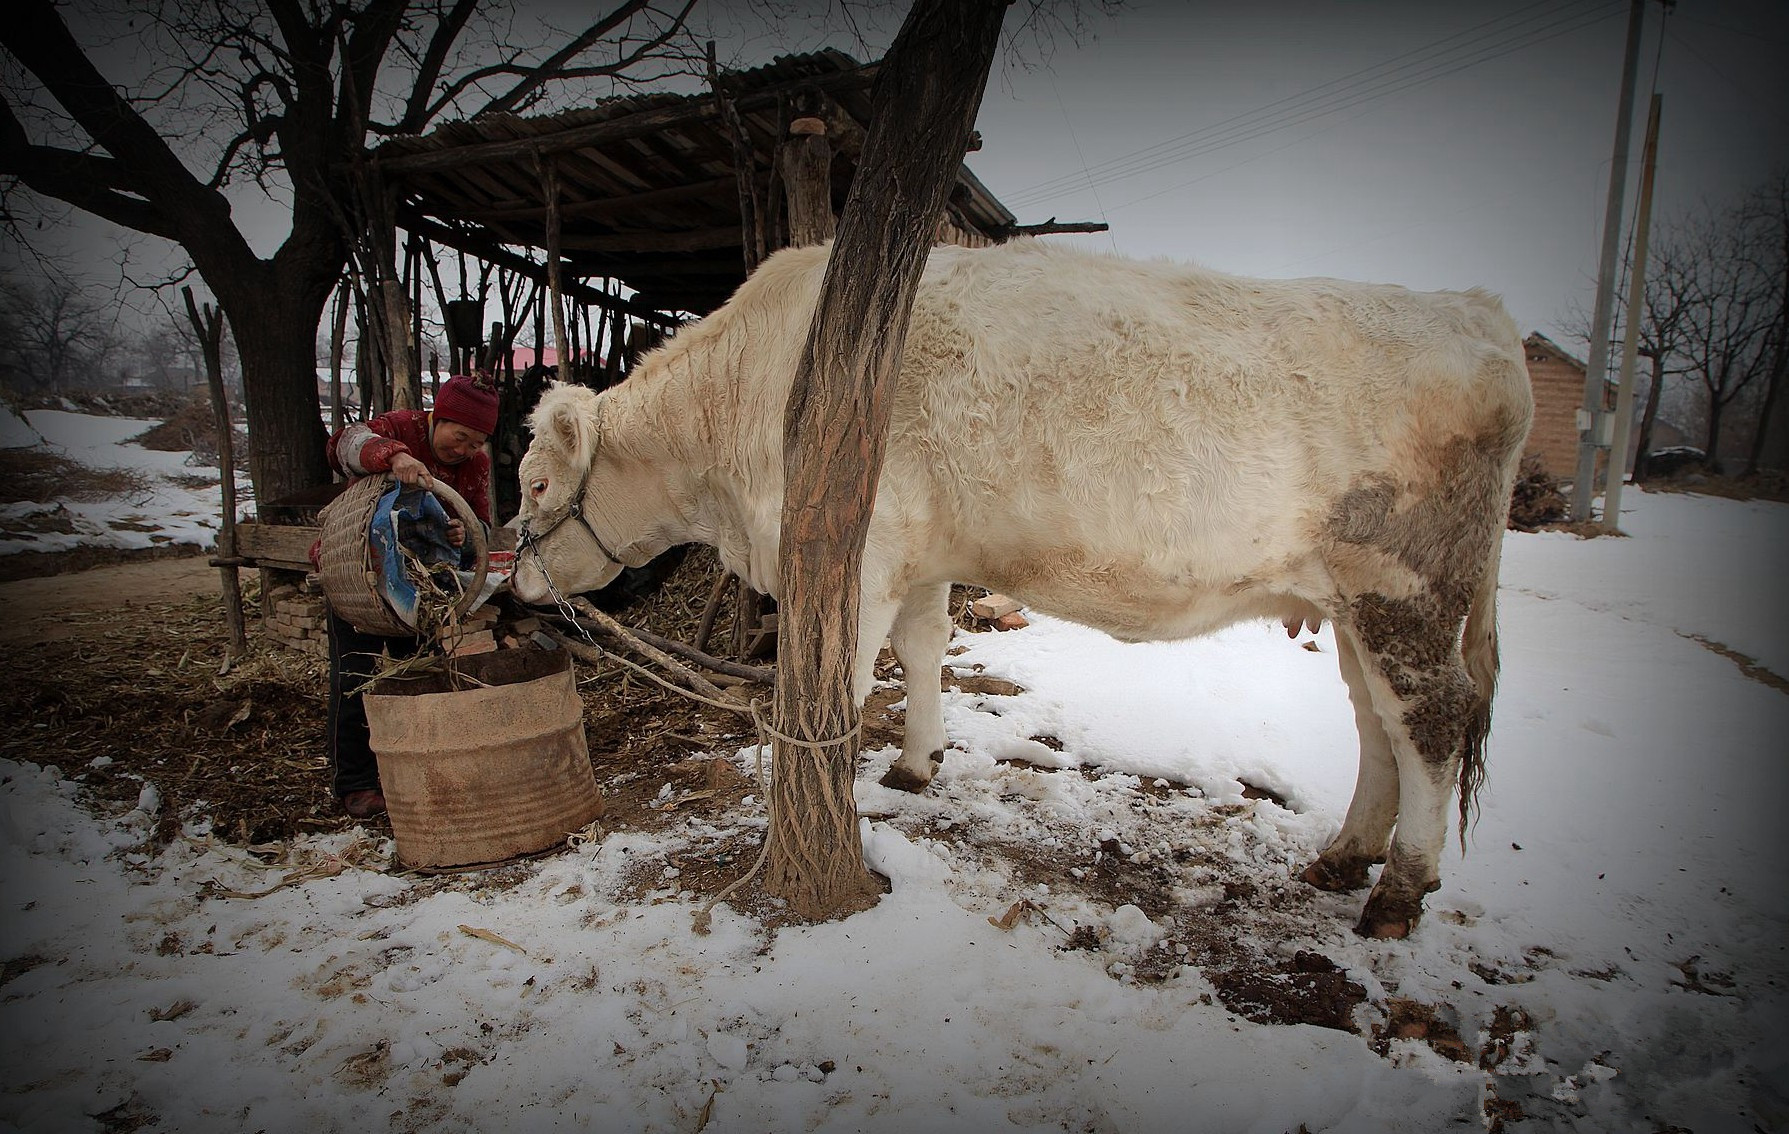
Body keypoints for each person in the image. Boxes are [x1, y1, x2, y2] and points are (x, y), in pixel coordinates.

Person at [322, 373, 497, 819]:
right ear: (438, 417)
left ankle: (418, 767)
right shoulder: (400, 429)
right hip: (361, 573)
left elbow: (478, 527)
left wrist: (461, 535)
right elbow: (340, 444)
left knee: (418, 677)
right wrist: (391, 456)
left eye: (476, 443)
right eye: (460, 437)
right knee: (354, 677)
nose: (466, 450)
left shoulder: (475, 466)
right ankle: (356, 784)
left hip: (421, 589)